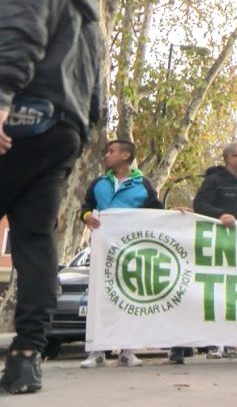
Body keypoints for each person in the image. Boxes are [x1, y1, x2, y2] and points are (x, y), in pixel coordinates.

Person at [0, 0, 102, 394]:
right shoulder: (88, 15)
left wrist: (2, 96)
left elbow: (18, 33)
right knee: (36, 240)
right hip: (66, 130)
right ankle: (27, 355)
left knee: (34, 240)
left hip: (23, 114)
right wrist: (82, 132)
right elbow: (96, 88)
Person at [170, 143, 237, 364]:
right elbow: (199, 205)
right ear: (230, 158)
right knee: (200, 297)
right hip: (213, 250)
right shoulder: (214, 181)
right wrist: (221, 215)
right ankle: (178, 346)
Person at [78, 140, 164, 368]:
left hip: (131, 254)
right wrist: (86, 216)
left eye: (111, 151)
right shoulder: (99, 183)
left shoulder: (143, 185)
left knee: (128, 298)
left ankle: (127, 350)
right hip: (102, 252)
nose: (106, 155)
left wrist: (179, 215)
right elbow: (85, 207)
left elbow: (158, 214)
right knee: (99, 299)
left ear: (126, 155)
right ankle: (97, 352)